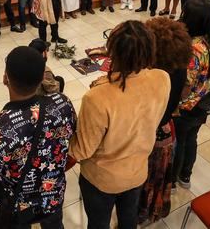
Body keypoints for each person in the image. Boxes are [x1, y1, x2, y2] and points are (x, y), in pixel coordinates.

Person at [69, 20, 171, 229]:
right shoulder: (162, 78)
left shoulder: (97, 97)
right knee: (128, 219)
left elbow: (83, 150)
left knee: (98, 224)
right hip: (137, 172)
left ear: (112, 53)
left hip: (102, 181)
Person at [0, 46, 76, 227]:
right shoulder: (63, 103)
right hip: (53, 196)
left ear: (5, 78)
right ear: (42, 77)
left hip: (17, 208)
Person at [139, 18, 193, 224]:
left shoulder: (152, 77)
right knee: (159, 176)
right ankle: (154, 209)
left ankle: (140, 211)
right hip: (167, 129)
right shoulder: (179, 68)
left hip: (149, 133)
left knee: (145, 177)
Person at [173, 0, 210, 190]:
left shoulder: (193, 49)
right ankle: (185, 175)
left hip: (187, 105)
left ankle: (172, 180)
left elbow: (186, 84)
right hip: (204, 100)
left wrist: (173, 104)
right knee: (191, 139)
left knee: (179, 142)